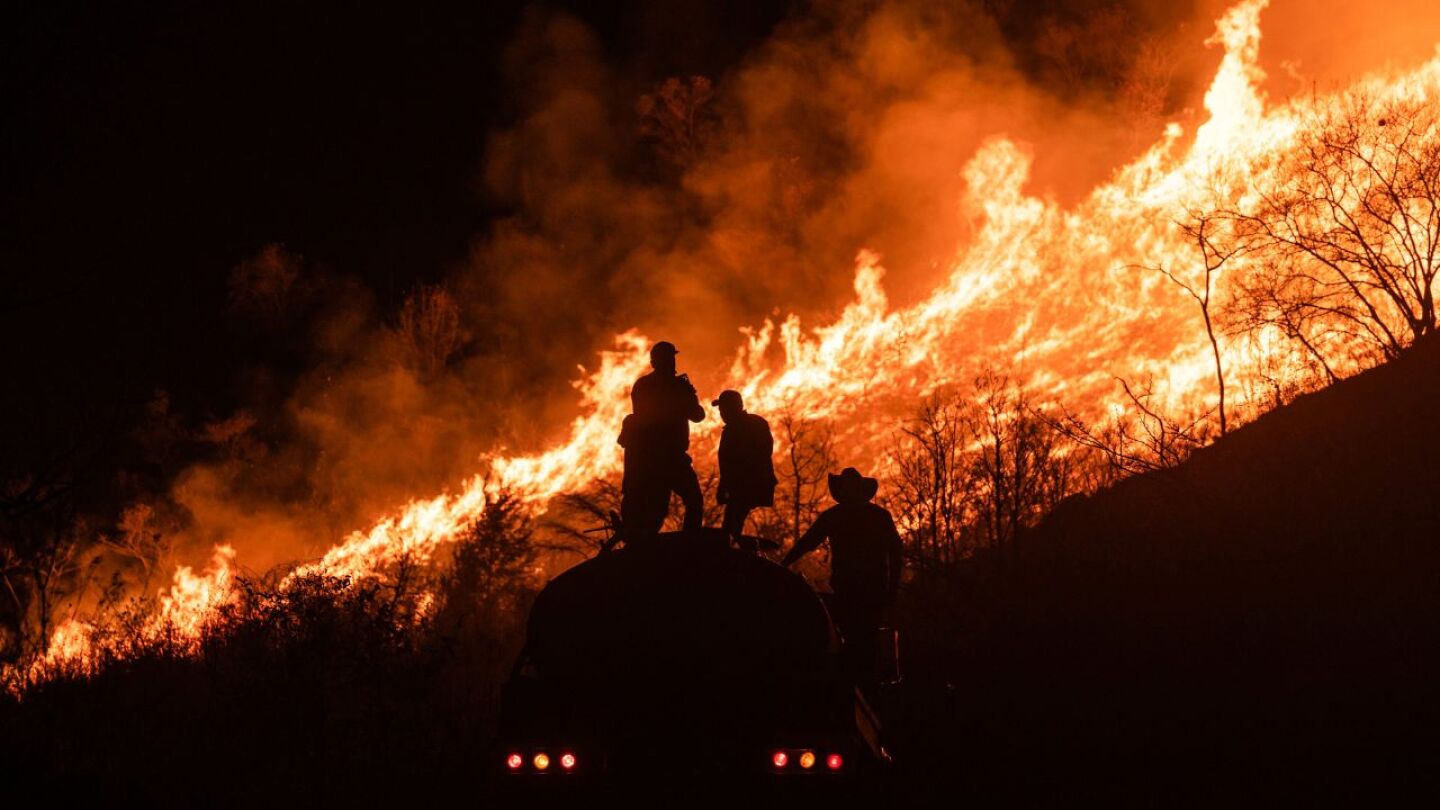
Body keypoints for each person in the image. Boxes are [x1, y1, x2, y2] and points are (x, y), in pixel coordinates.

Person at [781, 467, 903, 676]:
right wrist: (891, 590)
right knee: (865, 643)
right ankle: (863, 689)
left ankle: (857, 687)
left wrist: (783, 564)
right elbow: (896, 553)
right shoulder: (879, 516)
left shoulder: (835, 517)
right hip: (867, 590)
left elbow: (807, 543)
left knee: (854, 642)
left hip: (854, 590)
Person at [618, 341, 706, 541]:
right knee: (693, 500)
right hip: (670, 457)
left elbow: (641, 415)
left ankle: (646, 545)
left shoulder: (643, 385)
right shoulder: (678, 386)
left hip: (650, 459)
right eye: (670, 358)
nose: (673, 362)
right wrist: (689, 394)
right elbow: (698, 415)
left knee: (657, 510)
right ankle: (689, 543)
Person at [712, 389, 777, 548]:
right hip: (744, 486)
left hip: (747, 486)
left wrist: (729, 484)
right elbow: (728, 465)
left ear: (734, 407)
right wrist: (724, 485)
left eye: (724, 408)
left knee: (730, 527)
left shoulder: (741, 428)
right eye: (721, 409)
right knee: (732, 524)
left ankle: (733, 553)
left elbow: (760, 454)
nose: (721, 413)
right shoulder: (752, 424)